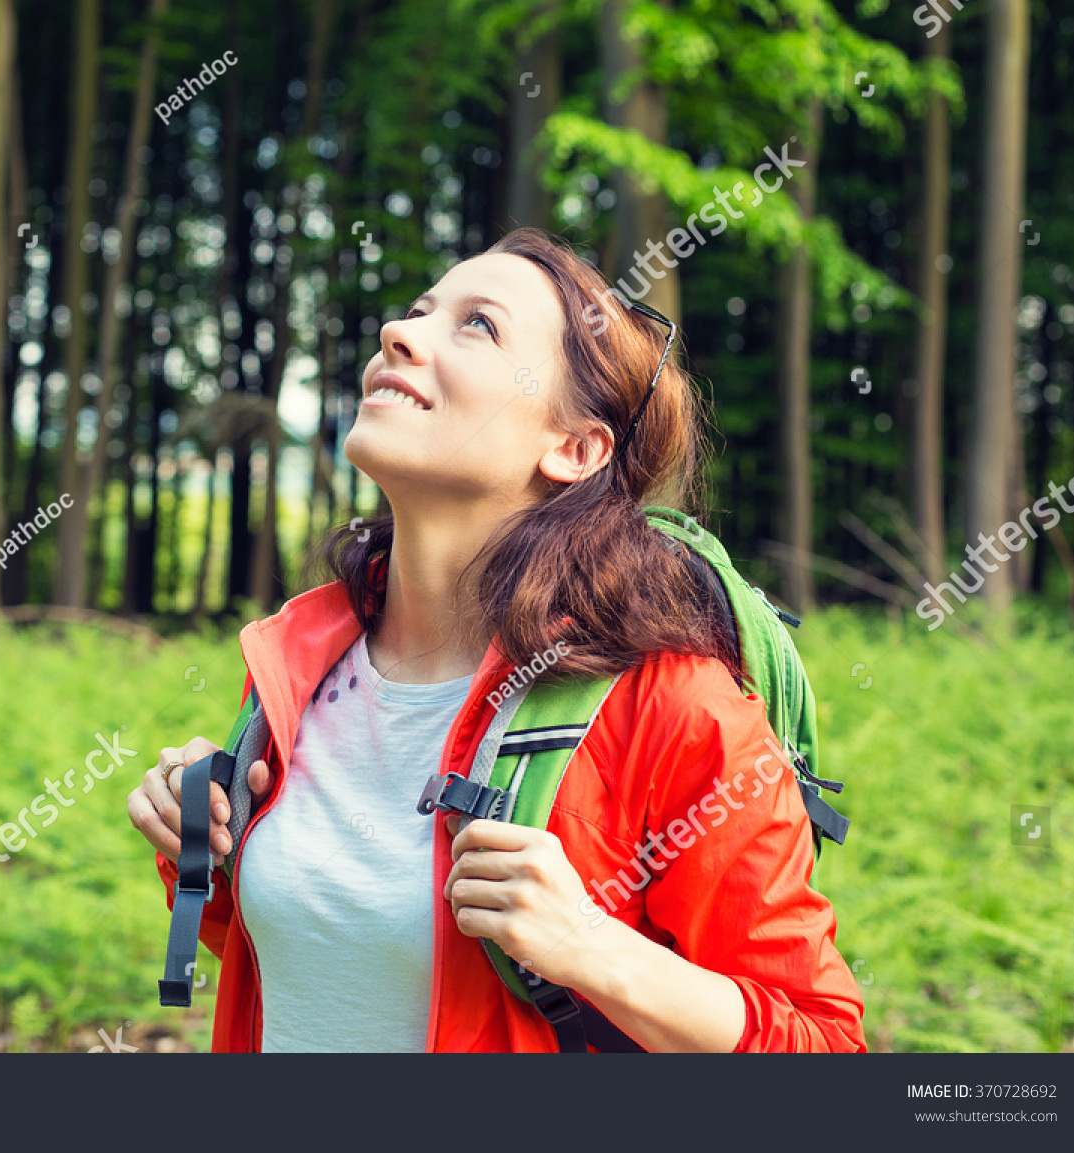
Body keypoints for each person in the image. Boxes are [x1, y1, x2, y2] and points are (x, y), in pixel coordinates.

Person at [126, 227, 866, 1053]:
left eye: (477, 325)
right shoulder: (297, 663)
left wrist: (592, 947)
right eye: (417, 311)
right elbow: (324, 968)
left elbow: (822, 1043)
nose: (396, 335)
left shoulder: (672, 704)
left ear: (575, 448)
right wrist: (201, 840)